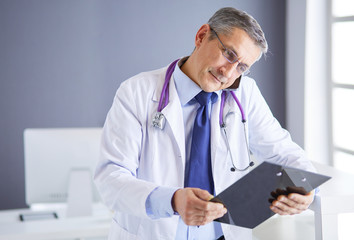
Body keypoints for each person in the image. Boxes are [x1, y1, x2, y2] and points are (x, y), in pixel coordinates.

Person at [94, 7, 316, 240]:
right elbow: (111, 178)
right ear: (201, 36)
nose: (228, 73)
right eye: (229, 54)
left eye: (241, 67)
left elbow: (285, 152)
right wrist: (172, 200)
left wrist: (307, 187)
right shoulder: (136, 92)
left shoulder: (244, 93)